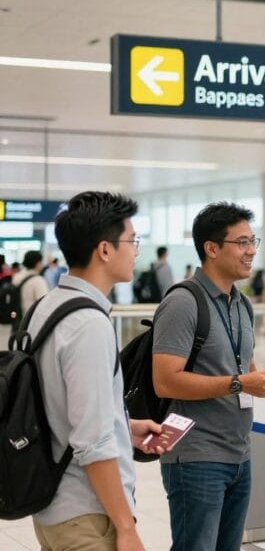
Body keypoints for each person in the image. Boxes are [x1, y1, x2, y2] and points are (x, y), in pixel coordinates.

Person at [28, 191, 167, 551]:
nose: (136, 250)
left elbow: (58, 405)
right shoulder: (88, 323)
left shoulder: (47, 307)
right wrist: (125, 527)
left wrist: (124, 425)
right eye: (132, 240)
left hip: (54, 506)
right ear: (105, 250)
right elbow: (92, 442)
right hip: (86, 514)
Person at [151, 202, 265, 551]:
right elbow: (165, 380)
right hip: (196, 455)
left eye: (253, 241)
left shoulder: (241, 303)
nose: (252, 251)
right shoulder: (184, 302)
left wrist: (263, 383)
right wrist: (240, 383)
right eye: (242, 242)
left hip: (239, 453)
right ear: (211, 248)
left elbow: (242, 367)